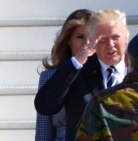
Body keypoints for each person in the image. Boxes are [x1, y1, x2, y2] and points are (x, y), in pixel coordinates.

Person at [34, 9, 138, 141]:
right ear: (92, 41)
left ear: (127, 37)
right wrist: (77, 62)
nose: (110, 45)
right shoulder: (76, 72)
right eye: (102, 39)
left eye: (115, 37)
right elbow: (45, 106)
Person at [35, 9, 95, 141]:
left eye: (92, 37)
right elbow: (43, 132)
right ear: (68, 40)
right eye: (80, 37)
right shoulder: (49, 76)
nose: (86, 43)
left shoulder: (109, 74)